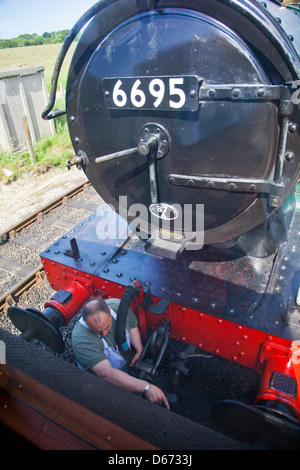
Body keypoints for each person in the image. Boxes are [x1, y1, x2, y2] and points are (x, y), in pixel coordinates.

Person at [72, 296, 170, 409]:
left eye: (107, 327)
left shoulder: (118, 307)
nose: (104, 333)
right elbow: (105, 374)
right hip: (99, 382)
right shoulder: (81, 339)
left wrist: (139, 349)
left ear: (109, 311)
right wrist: (146, 388)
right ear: (86, 322)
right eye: (98, 331)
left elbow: (132, 326)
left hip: (122, 367)